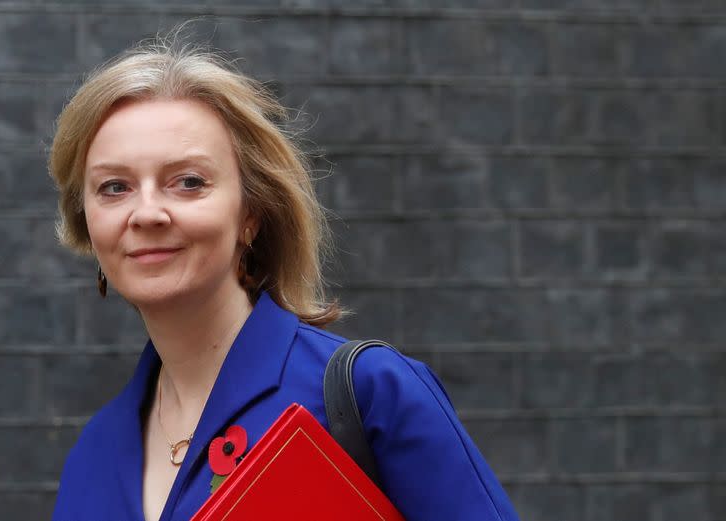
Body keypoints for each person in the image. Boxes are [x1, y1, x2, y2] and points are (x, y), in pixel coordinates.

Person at [49, 34, 519, 521]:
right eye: (114, 187)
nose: (146, 212)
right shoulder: (93, 455)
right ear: (88, 224)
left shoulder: (370, 392)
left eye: (188, 181)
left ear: (250, 215)